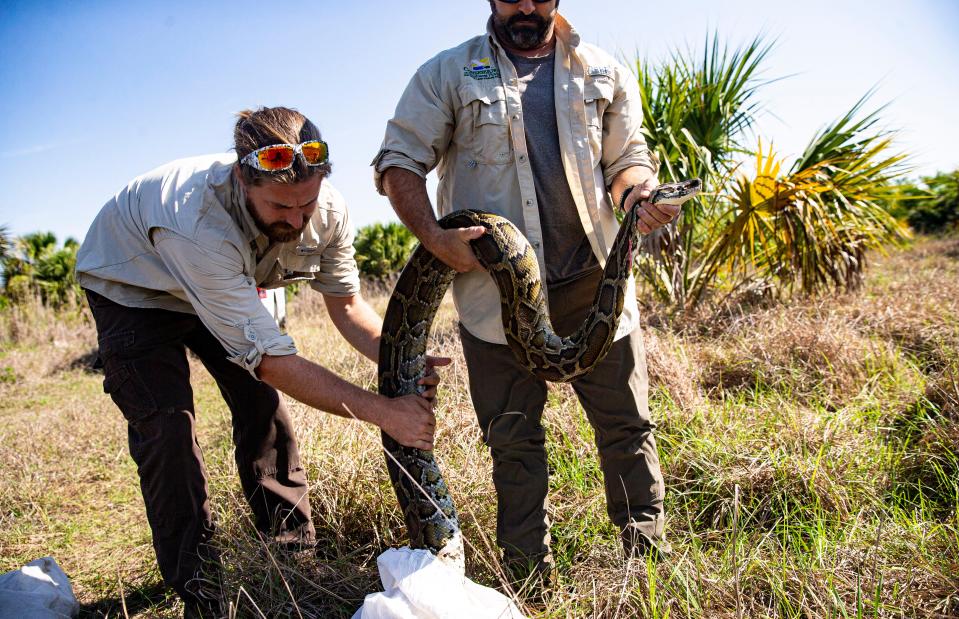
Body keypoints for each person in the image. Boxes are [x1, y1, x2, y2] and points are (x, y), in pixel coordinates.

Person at [76, 106, 447, 617]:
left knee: (265, 411)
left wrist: (402, 354)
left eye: (307, 204)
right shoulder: (197, 221)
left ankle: (294, 558)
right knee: (169, 432)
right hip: (137, 291)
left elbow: (346, 305)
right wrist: (386, 412)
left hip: (232, 284)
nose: (295, 221)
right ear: (240, 180)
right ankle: (201, 591)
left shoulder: (328, 210)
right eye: (278, 207)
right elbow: (271, 360)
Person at [373, 0, 682, 587]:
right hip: (494, 295)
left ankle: (645, 567)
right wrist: (433, 237)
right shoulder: (449, 72)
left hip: (595, 281)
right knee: (513, 440)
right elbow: (399, 161)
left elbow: (627, 160)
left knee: (627, 427)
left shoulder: (600, 70)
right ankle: (527, 578)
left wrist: (640, 193)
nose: (525, 6)